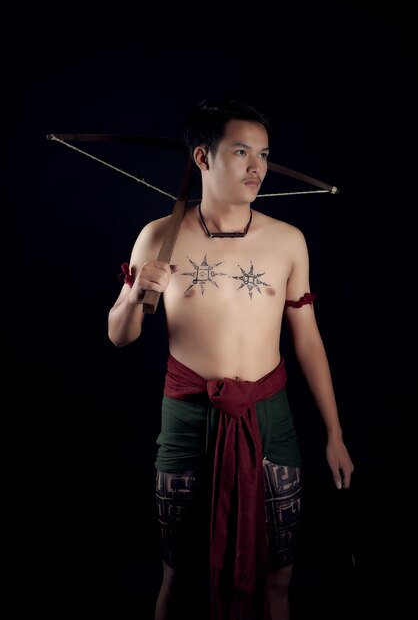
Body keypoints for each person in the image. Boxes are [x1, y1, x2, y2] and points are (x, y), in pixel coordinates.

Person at [107, 98, 354, 620]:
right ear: (202, 158)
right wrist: (134, 295)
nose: (256, 167)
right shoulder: (159, 235)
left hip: (270, 420)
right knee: (177, 573)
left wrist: (334, 433)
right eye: (241, 152)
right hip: (188, 418)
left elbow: (306, 339)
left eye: (262, 154)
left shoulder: (288, 241)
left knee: (279, 575)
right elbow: (120, 337)